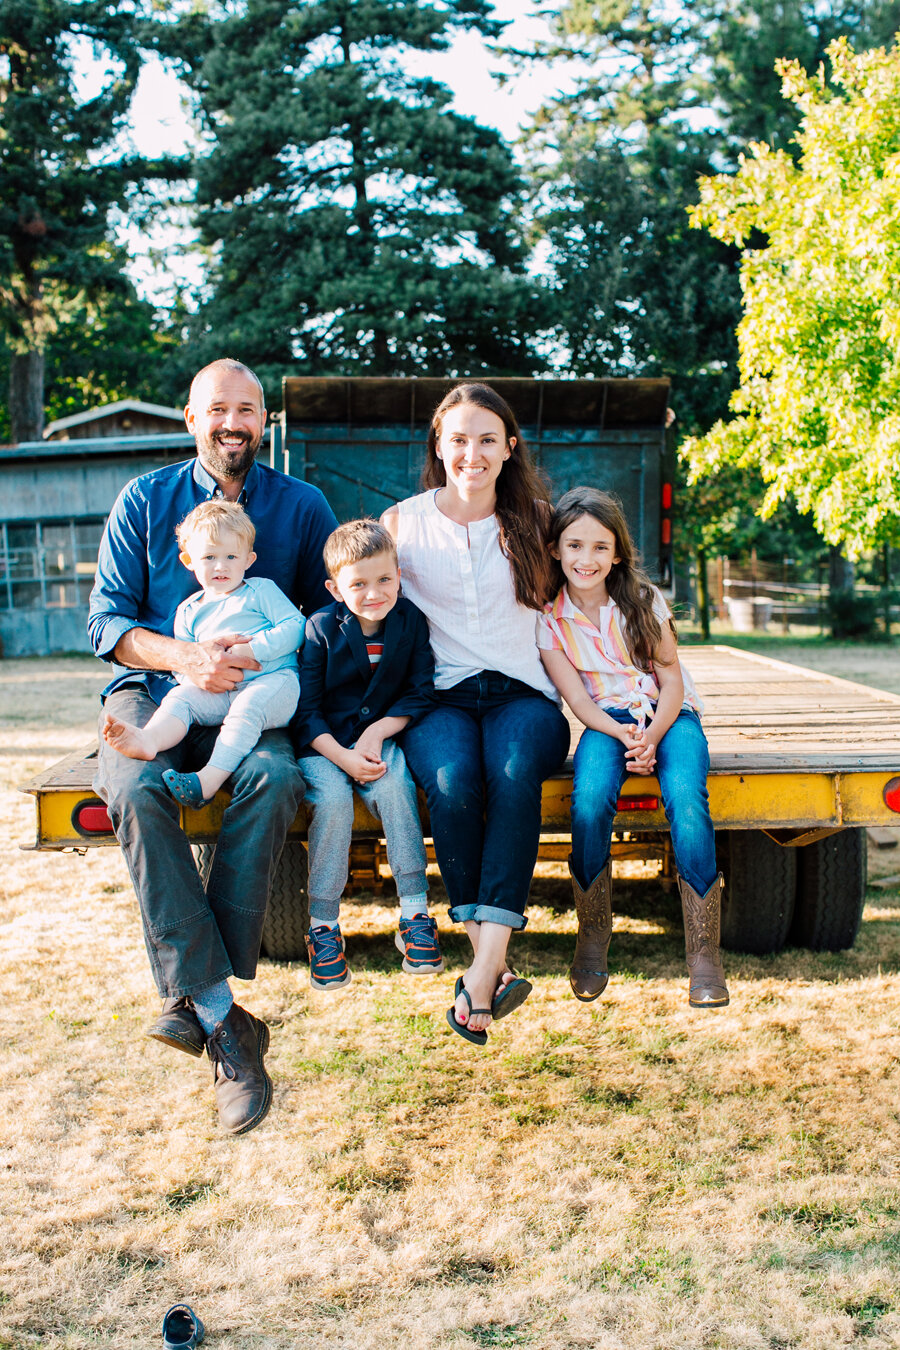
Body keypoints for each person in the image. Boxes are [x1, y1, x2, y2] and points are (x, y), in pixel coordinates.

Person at [89, 358, 338, 1135]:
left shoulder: (301, 506)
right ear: (192, 418)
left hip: (258, 695)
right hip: (162, 691)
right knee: (133, 788)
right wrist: (186, 658)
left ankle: (193, 994)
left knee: (270, 775)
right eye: (218, 409)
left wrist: (277, 670)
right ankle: (227, 1020)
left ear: (265, 421)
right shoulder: (145, 501)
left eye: (248, 410)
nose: (234, 423)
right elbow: (107, 626)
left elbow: (335, 608)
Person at [382, 383, 571, 1047]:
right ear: (439, 445)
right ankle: (490, 967)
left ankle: (483, 971)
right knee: (456, 782)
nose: (473, 452)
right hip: (442, 696)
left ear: (509, 447)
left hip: (527, 694)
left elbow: (601, 585)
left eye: (488, 438)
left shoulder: (540, 522)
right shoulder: (400, 523)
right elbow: (364, 609)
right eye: (458, 438)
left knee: (514, 774)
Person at [537, 486, 729, 1009]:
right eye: (574, 545)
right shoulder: (549, 619)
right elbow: (576, 697)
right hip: (606, 721)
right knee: (590, 799)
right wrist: (623, 734)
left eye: (600, 547)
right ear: (556, 549)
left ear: (617, 552)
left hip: (671, 716)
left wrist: (653, 735)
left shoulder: (643, 601)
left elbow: (671, 679)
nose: (586, 558)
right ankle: (593, 936)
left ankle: (704, 956)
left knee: (687, 800)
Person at [292, 519, 441, 990]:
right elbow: (306, 710)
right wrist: (343, 757)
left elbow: (420, 692)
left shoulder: (411, 621)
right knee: (333, 804)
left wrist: (378, 732)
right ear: (336, 589)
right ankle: (324, 927)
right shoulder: (318, 629)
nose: (374, 593)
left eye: (384, 580)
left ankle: (415, 913)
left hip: (381, 740)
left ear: (399, 574)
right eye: (358, 584)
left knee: (397, 787)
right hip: (325, 745)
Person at [102, 499, 304, 810]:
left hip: (274, 684)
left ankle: (208, 780)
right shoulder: (189, 610)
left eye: (230, 556)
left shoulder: (260, 591)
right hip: (222, 692)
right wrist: (199, 680)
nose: (220, 566)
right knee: (181, 698)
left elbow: (296, 627)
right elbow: (186, 668)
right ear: (188, 560)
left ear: (249, 559)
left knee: (246, 708)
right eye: (209, 557)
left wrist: (253, 648)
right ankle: (149, 740)